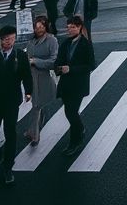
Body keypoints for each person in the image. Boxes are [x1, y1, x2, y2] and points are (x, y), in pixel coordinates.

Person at [0, 25, 32, 185]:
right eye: (6, 39)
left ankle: (8, 166)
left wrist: (28, 91)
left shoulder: (20, 55)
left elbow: (26, 74)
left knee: (10, 133)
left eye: (12, 39)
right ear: (0, 40)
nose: (9, 42)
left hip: (11, 101)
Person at [55, 16, 96, 157]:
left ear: (79, 27)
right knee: (69, 112)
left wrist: (71, 69)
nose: (70, 30)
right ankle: (80, 129)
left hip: (78, 84)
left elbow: (91, 65)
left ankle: (75, 141)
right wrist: (58, 68)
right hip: (65, 84)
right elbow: (58, 60)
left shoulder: (86, 44)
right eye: (68, 27)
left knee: (71, 112)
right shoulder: (65, 43)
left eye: (73, 27)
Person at [25, 16, 59, 147]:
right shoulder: (31, 40)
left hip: (45, 76)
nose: (38, 29)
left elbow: (54, 61)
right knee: (37, 104)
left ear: (46, 27)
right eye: (36, 27)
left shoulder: (52, 40)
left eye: (41, 27)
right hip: (32, 76)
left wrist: (35, 61)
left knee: (37, 105)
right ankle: (33, 131)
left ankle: (34, 134)